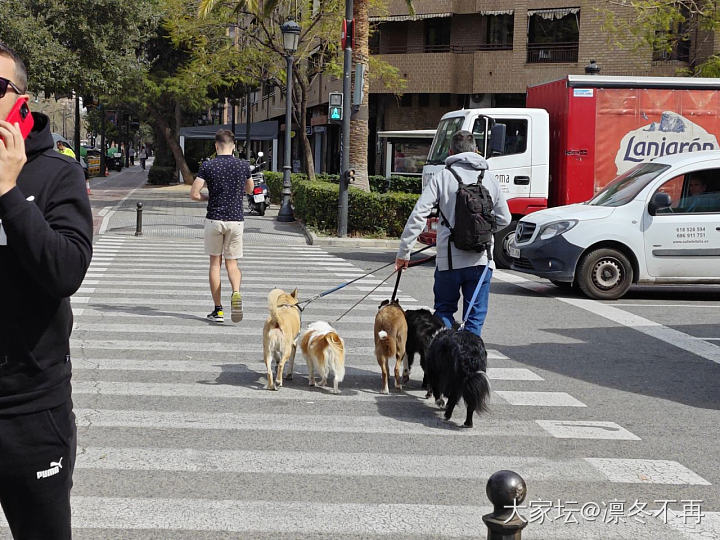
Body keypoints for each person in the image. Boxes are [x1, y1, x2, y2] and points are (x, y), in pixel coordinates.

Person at [0, 42, 92, 539]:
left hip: (32, 412)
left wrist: (9, 194)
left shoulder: (58, 173)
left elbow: (65, 272)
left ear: (22, 101)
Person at [395, 130, 511, 336]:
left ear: (450, 151)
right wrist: (482, 232)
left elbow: (418, 215)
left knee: (444, 313)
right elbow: (505, 219)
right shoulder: (489, 179)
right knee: (474, 319)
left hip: (449, 262)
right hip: (482, 260)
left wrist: (404, 253)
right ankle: (471, 363)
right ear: (476, 150)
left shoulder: (443, 177)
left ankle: (445, 360)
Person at [190, 128, 253, 323]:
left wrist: (207, 197)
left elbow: (194, 193)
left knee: (214, 264)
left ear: (216, 146)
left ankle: (218, 310)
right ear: (233, 146)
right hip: (235, 220)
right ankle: (235, 292)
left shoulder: (208, 166)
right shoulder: (243, 165)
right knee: (232, 264)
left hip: (214, 219)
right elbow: (250, 189)